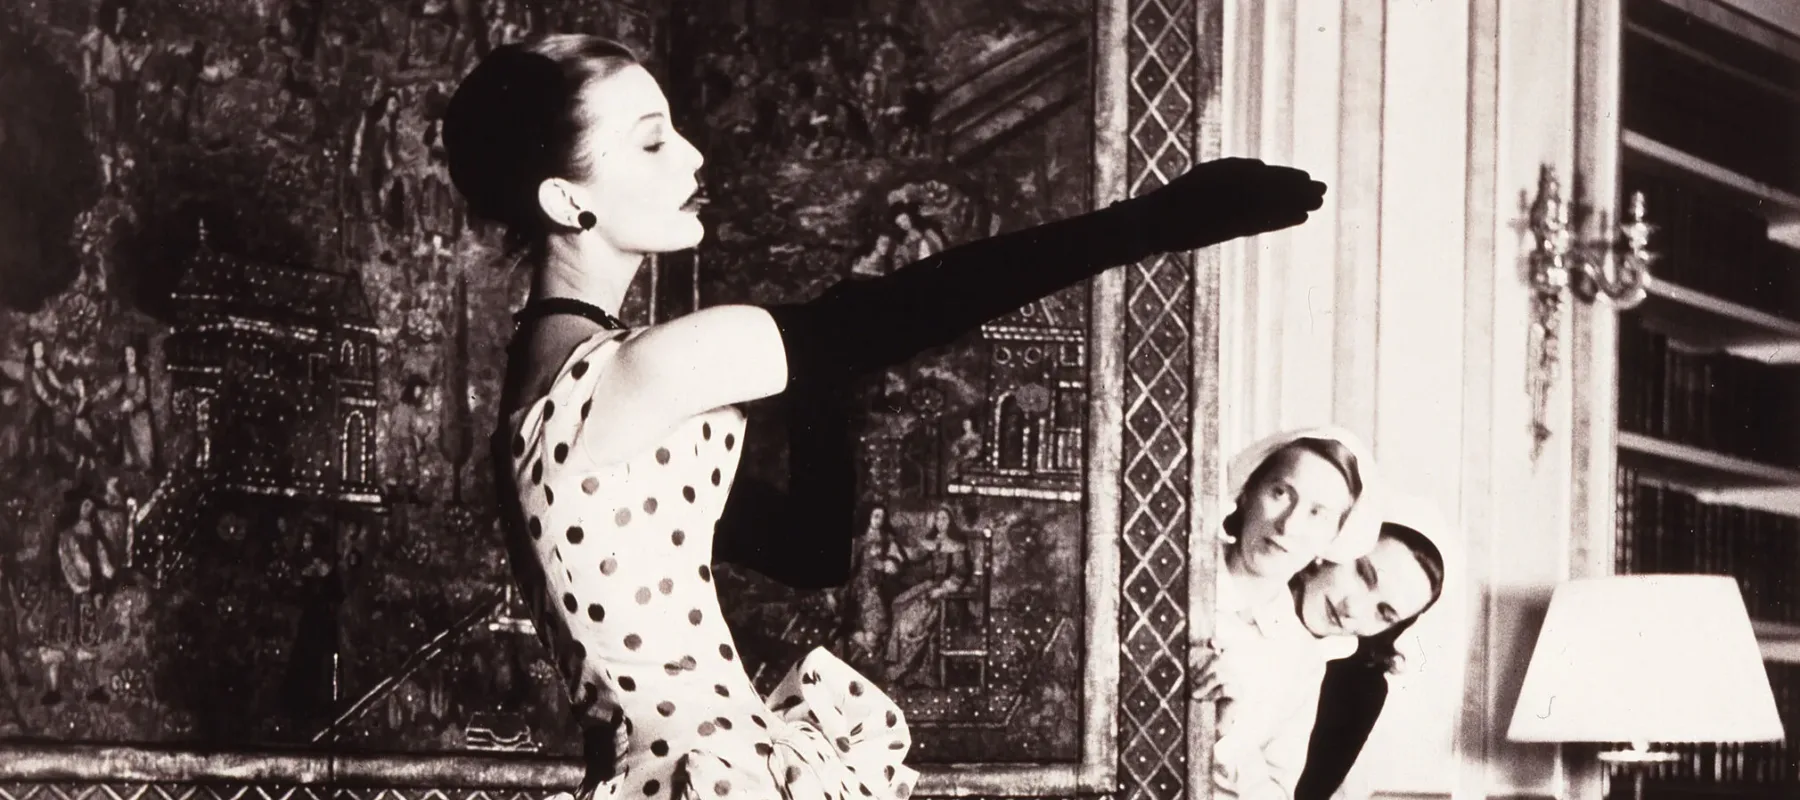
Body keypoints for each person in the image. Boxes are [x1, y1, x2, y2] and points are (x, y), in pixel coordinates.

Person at [444, 34, 1326, 800]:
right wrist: (1159, 220)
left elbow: (808, 551)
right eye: (651, 144)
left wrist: (827, 369)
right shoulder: (639, 371)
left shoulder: (554, 394)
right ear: (569, 202)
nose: (692, 158)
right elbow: (913, 308)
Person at [1198, 427, 1381, 800]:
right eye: (1281, 493)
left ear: (1333, 539)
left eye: (1318, 513)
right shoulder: (1171, 569)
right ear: (1248, 492)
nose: (1290, 525)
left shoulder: (1300, 660)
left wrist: (1230, 737)